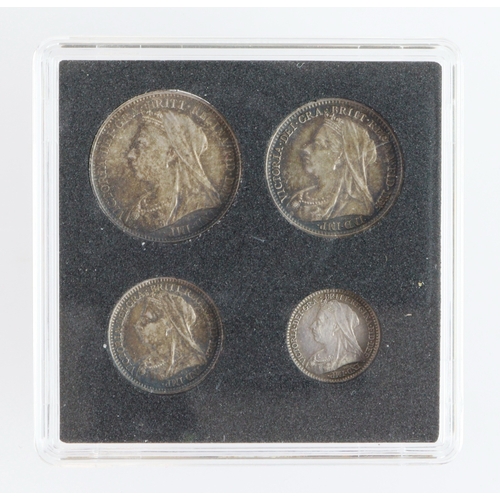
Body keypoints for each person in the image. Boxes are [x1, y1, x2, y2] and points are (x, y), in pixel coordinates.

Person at [124, 110, 220, 231]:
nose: (130, 154)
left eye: (141, 144)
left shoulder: (200, 207)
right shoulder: (137, 208)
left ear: (170, 154)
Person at [288, 115, 379, 222]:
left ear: (339, 156)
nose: (306, 149)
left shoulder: (354, 208)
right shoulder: (299, 198)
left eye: (318, 145)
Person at [133, 292, 207, 380]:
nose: (138, 325)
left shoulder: (192, 363)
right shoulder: (147, 363)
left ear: (169, 325)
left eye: (147, 320)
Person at [305, 300, 364, 375]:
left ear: (335, 327)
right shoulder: (314, 359)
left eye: (319, 322)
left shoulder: (351, 358)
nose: (312, 326)